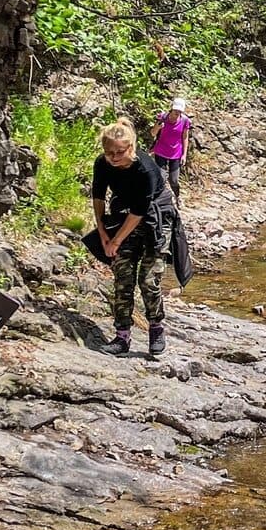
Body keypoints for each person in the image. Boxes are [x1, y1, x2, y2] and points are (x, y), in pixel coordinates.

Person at [91, 118, 175, 356]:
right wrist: (103, 233)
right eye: (109, 153)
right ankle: (122, 336)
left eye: (120, 152)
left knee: (148, 280)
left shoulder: (145, 168)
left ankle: (156, 327)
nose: (114, 158)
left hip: (155, 219)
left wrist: (116, 240)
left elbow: (139, 210)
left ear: (132, 148)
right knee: (123, 275)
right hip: (123, 214)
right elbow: (98, 196)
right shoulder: (102, 164)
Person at [150, 96, 192, 203]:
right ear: (171, 109)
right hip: (160, 151)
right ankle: (159, 199)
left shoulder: (185, 121)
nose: (177, 114)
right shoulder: (162, 118)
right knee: (161, 177)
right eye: (175, 111)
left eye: (179, 111)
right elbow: (153, 133)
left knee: (174, 180)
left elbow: (185, 137)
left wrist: (184, 155)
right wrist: (158, 127)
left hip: (176, 153)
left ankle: (177, 197)